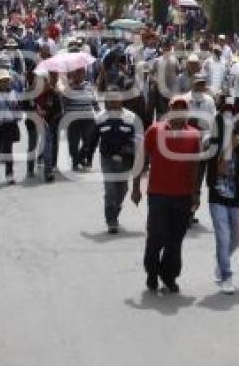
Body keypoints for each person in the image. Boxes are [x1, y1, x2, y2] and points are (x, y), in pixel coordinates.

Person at [137, 96, 202, 293]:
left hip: (182, 195)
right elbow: (142, 157)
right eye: (176, 109)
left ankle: (169, 275)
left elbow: (196, 165)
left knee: (175, 239)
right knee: (156, 236)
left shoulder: (194, 135)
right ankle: (152, 272)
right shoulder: (155, 130)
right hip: (158, 194)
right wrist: (134, 187)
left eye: (183, 109)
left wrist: (196, 193)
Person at [85, 85, 143, 233]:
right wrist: (87, 156)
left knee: (122, 190)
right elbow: (91, 140)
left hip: (125, 161)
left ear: (121, 101)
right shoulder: (99, 118)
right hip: (107, 159)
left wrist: (130, 148)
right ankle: (111, 219)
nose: (111, 103)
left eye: (114, 100)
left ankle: (115, 211)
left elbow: (139, 140)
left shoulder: (131, 118)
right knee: (110, 189)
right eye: (108, 100)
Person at [207, 118, 239, 294]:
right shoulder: (211, 143)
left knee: (238, 237)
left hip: (237, 198)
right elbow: (220, 170)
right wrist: (229, 147)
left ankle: (221, 258)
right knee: (223, 236)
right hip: (217, 198)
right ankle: (226, 275)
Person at [0, 69, 22, 184]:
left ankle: (9, 175)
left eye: (6, 81)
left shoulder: (13, 93)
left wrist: (17, 111)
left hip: (9, 124)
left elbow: (17, 108)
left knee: (8, 150)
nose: (4, 83)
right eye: (2, 81)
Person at [62, 68, 99, 171]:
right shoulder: (68, 87)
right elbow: (63, 101)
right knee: (73, 143)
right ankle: (76, 159)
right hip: (73, 119)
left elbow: (94, 101)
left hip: (88, 118)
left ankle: (79, 158)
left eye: (82, 73)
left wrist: (98, 112)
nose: (79, 75)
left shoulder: (88, 86)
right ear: (73, 74)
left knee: (88, 141)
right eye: (77, 73)